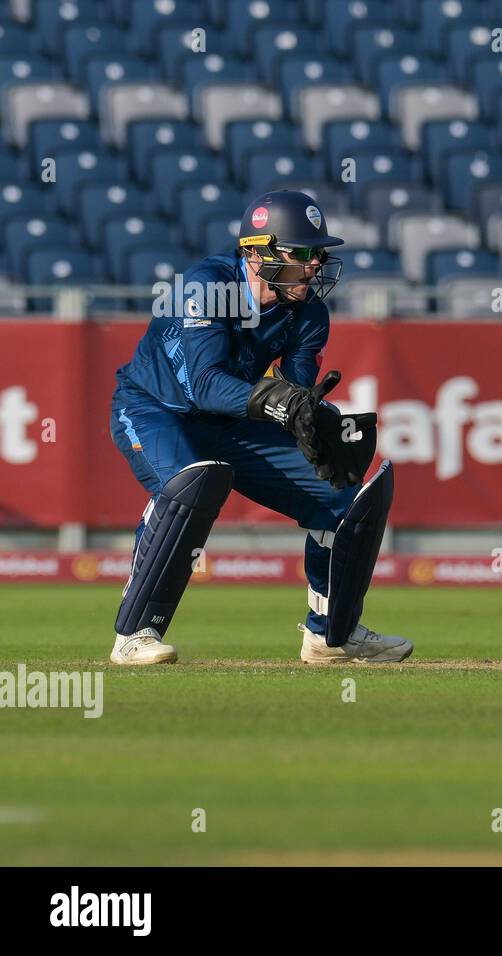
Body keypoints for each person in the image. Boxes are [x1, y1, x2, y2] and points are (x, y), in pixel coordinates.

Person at [108, 189, 411, 665]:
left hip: (233, 420)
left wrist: (311, 418)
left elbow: (293, 389)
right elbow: (205, 384)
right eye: (301, 254)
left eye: (318, 255)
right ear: (255, 252)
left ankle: (331, 635)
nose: (313, 266)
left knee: (343, 496)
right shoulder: (206, 287)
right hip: (156, 408)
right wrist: (283, 403)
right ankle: (135, 635)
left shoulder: (309, 312)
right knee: (194, 483)